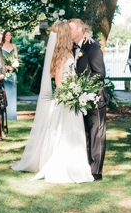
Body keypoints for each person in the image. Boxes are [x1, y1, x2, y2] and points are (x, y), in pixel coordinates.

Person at [11, 21, 95, 183]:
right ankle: (59, 163)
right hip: (65, 98)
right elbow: (58, 82)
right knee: (61, 131)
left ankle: (75, 164)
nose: (71, 32)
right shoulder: (61, 55)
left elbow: (72, 75)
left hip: (72, 97)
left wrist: (77, 88)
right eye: (68, 31)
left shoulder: (68, 52)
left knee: (73, 131)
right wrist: (71, 93)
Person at [69, 19, 108, 181]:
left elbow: (100, 73)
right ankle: (86, 165)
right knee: (84, 132)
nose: (68, 32)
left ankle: (96, 171)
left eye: (71, 29)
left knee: (97, 133)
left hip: (95, 96)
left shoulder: (92, 46)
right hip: (80, 98)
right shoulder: (72, 47)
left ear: (80, 29)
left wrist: (81, 83)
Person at [1, 30, 19, 121]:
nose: (8, 36)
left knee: (12, 93)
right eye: (6, 35)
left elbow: (16, 59)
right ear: (4, 36)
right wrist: (6, 66)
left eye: (10, 35)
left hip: (12, 73)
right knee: (5, 94)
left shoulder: (14, 46)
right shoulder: (0, 46)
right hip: (4, 73)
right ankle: (4, 114)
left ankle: (12, 115)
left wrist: (14, 64)